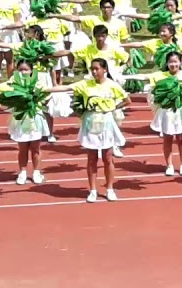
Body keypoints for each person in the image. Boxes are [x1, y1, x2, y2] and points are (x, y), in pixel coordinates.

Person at [54, 59, 129, 202]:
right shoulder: (85, 84)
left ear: (104, 70)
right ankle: (93, 190)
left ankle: (110, 189)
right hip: (90, 123)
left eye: (97, 69)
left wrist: (112, 107)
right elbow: (66, 88)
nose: (94, 72)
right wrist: (41, 89)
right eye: (92, 69)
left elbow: (127, 100)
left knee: (108, 158)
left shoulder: (112, 85)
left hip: (106, 123)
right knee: (91, 158)